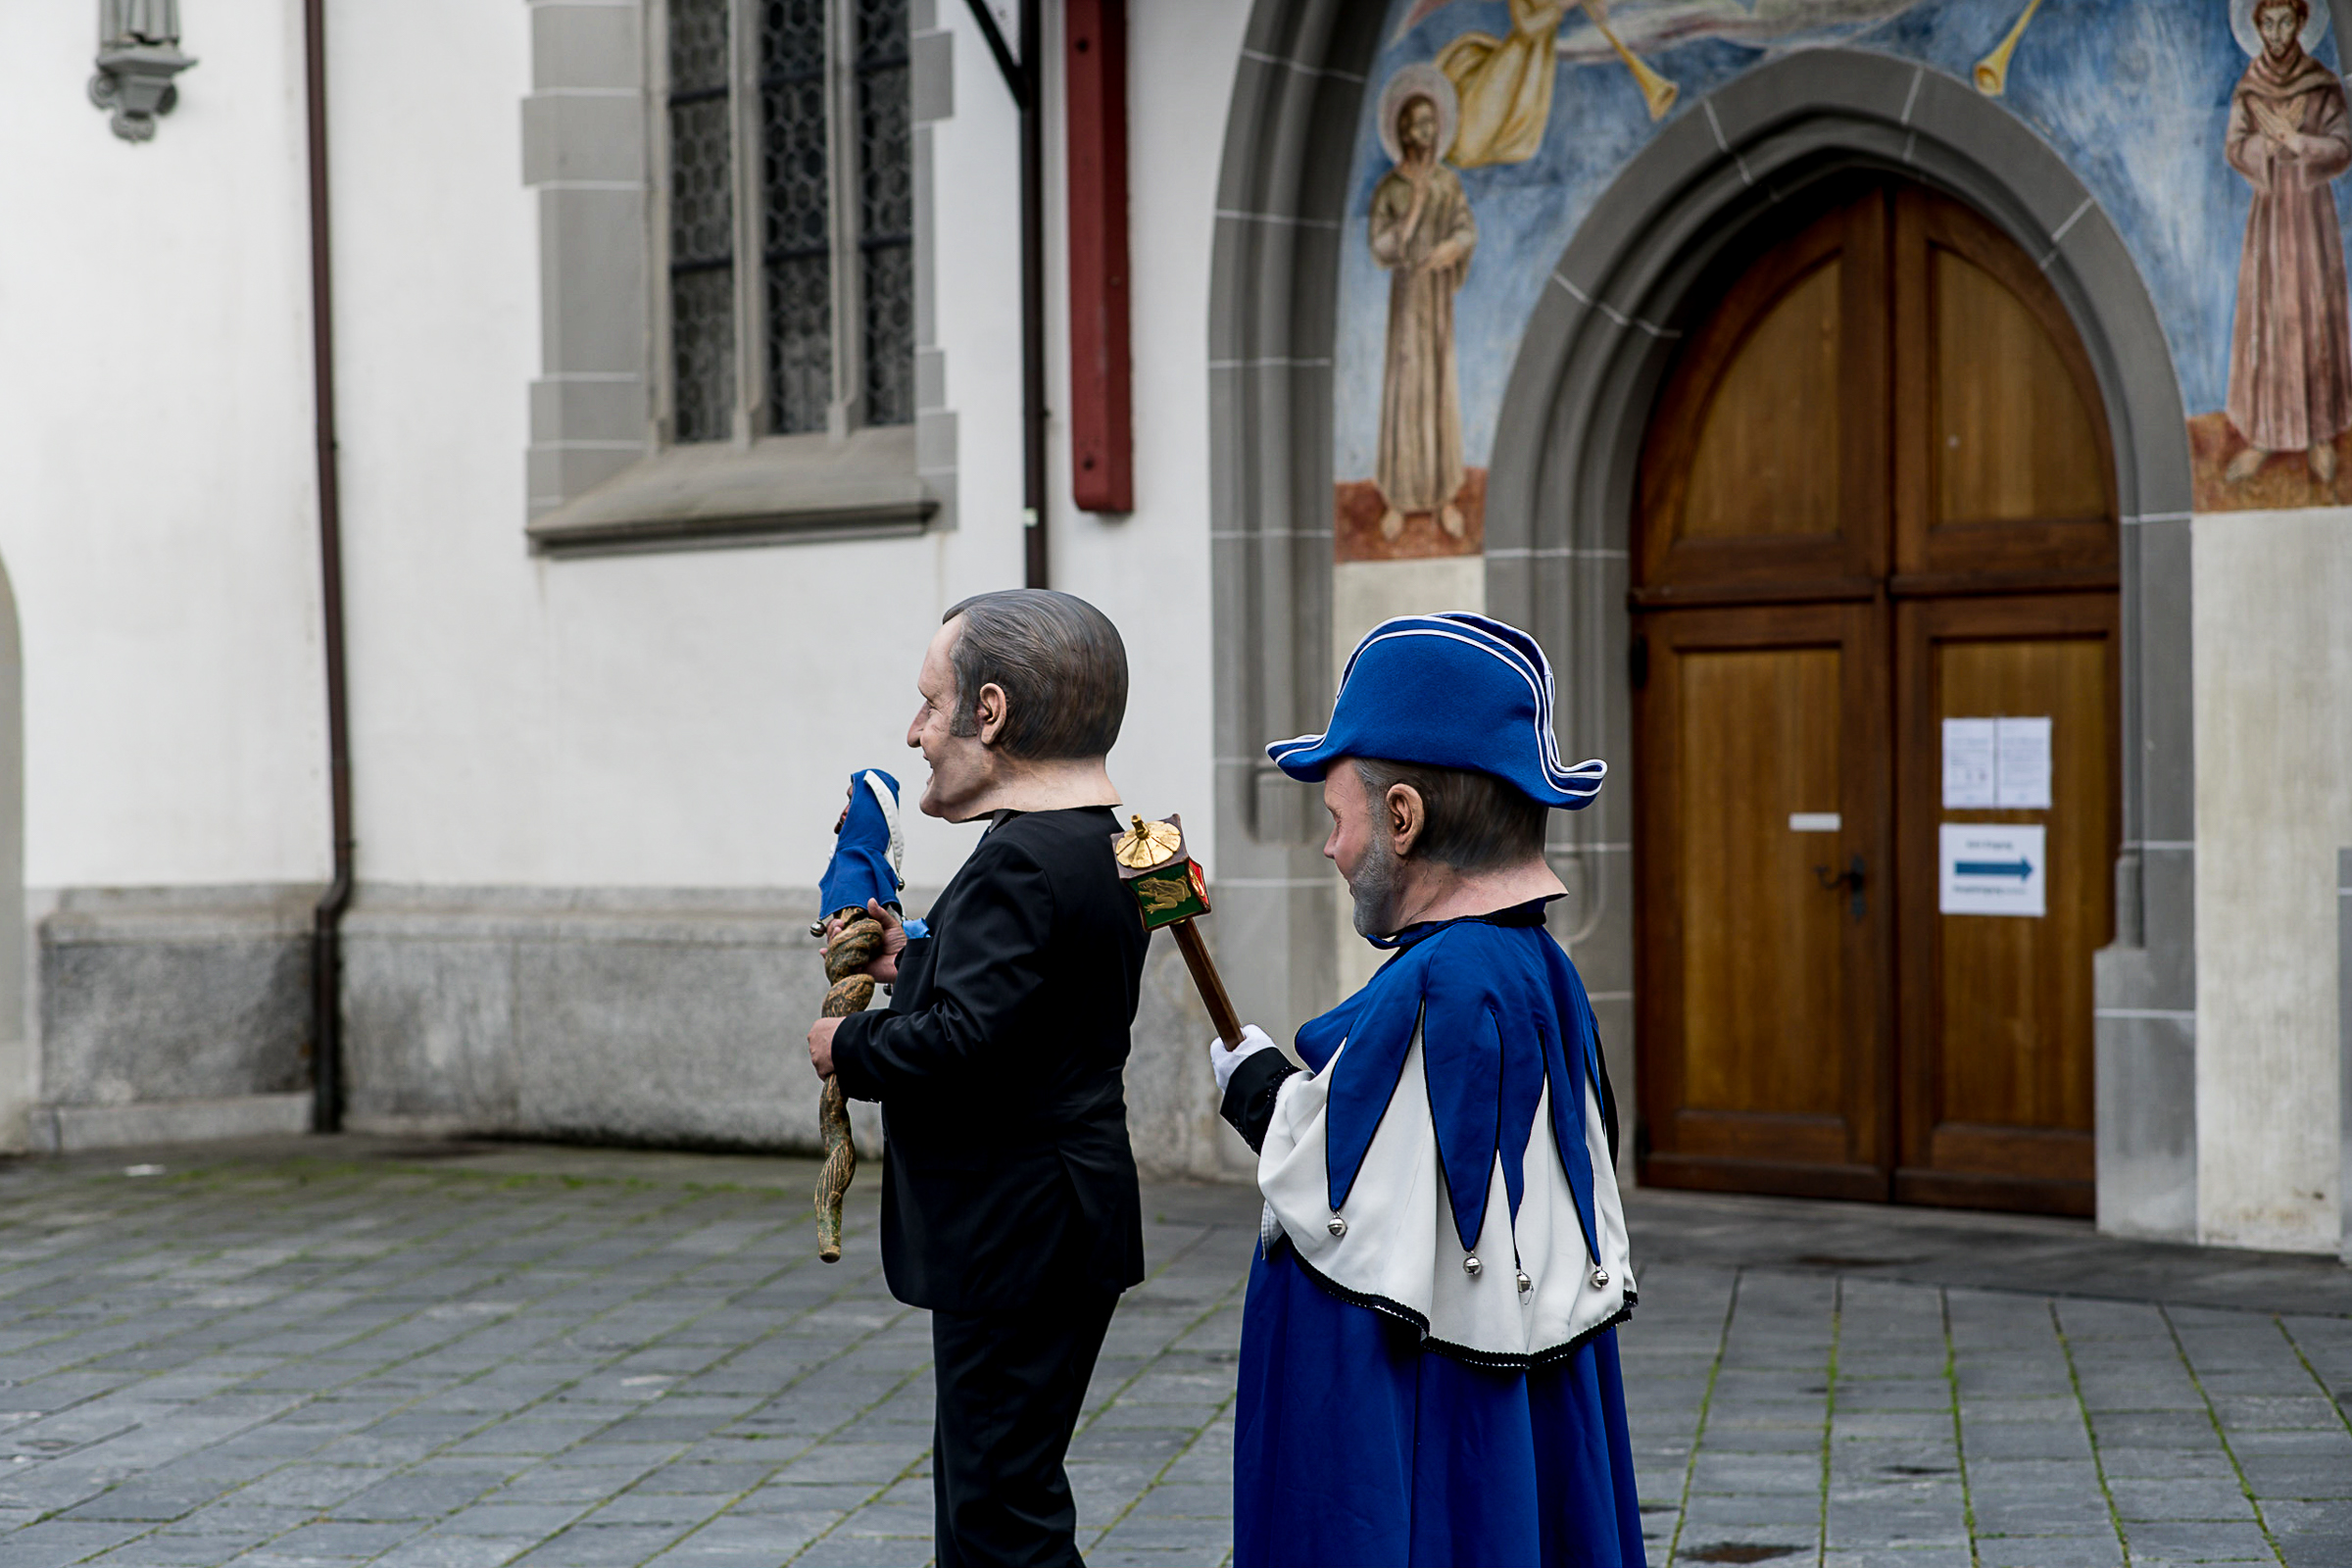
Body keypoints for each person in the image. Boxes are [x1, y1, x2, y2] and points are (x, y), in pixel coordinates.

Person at [1211, 612, 1644, 1567]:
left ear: (1403, 817)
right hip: (1511, 1388)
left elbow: (1340, 1184)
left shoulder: (1442, 979)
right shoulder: (1537, 963)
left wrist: (1253, 1086)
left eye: (1337, 818)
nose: (1329, 848)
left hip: (1430, 1415)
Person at [806, 589, 1146, 1568]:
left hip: (1016, 1227)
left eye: (929, 705)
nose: (914, 733)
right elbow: (1041, 998)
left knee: (1001, 1515)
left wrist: (847, 1051)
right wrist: (906, 965)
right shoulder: (1100, 842)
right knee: (995, 1494)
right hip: (1058, 1217)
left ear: (990, 714)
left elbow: (968, 1044)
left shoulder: (1020, 862)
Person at [2224, 0, 2352, 486]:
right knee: (2270, 317)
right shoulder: (2250, 86)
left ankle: (2320, 433)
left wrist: (2299, 143)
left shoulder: (2321, 84)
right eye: (2267, 24)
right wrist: (2268, 145)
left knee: (2314, 316)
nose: (2276, 33)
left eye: (2285, 22)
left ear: (2301, 23)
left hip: (2312, 219)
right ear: (2256, 27)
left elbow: (2342, 147)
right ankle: (2264, 435)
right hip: (2271, 217)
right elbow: (2235, 146)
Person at [1370, 67, 1477, 542]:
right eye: (1415, 124)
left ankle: (1444, 496)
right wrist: (1411, 215)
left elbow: (1464, 228)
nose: (1424, 133)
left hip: (1438, 301)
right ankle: (1397, 499)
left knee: (1439, 390)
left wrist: (1452, 248)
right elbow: (1380, 245)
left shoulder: (1448, 183)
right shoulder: (1391, 189)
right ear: (1401, 131)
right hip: (1408, 299)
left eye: (1430, 123)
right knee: (1406, 392)